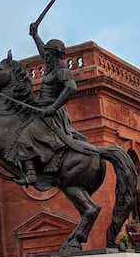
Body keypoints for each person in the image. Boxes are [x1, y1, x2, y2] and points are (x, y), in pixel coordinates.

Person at [6, 23, 88, 190]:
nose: (46, 58)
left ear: (56, 56)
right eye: (46, 55)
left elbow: (71, 88)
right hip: (43, 109)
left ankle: (31, 174)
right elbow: (42, 50)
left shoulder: (62, 72)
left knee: (23, 136)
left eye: (49, 55)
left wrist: (54, 107)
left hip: (53, 113)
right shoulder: (51, 67)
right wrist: (35, 35)